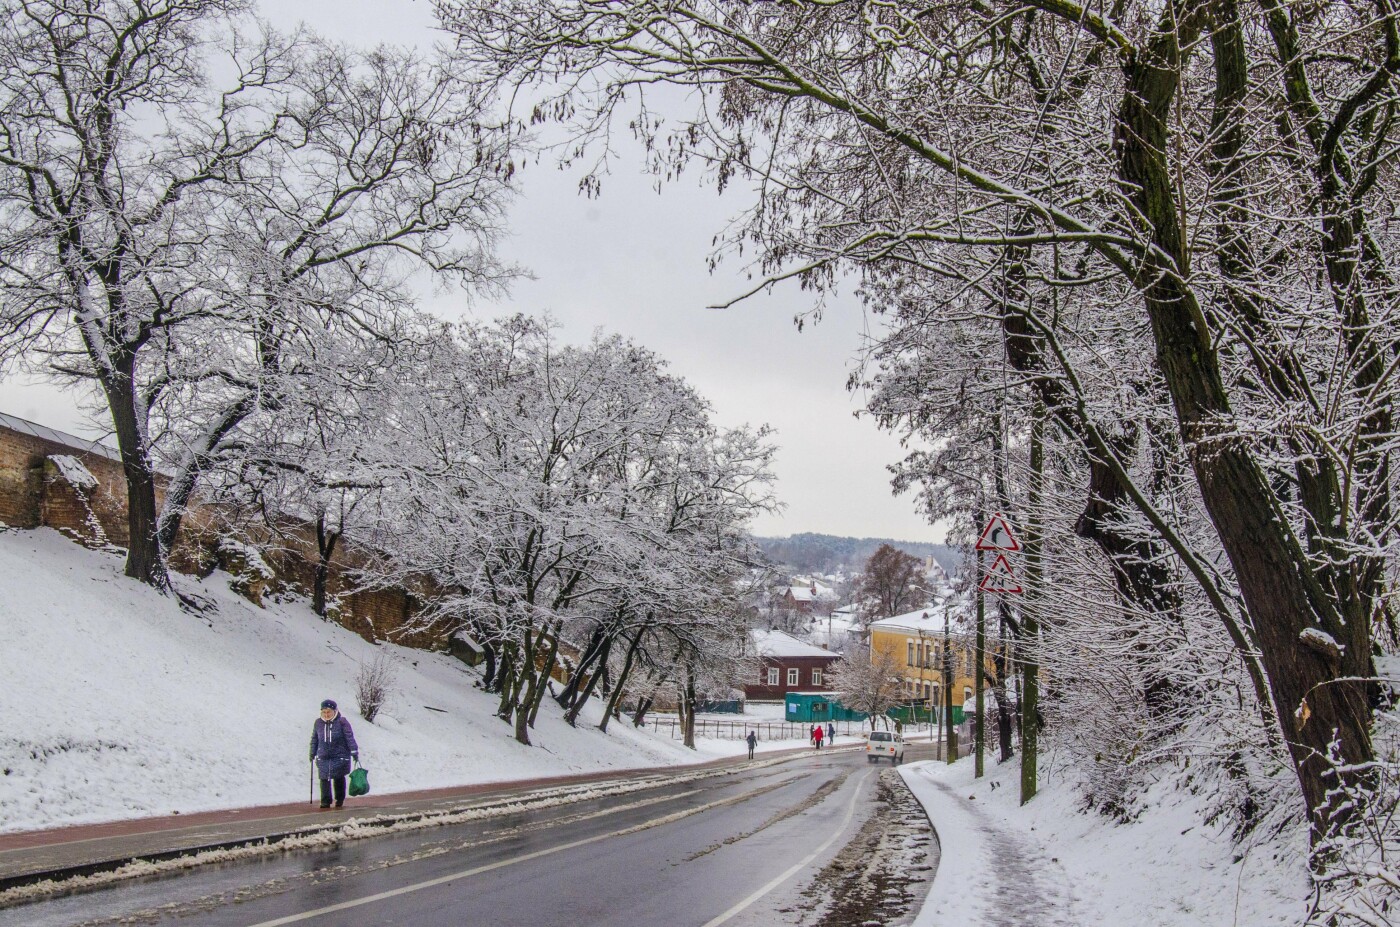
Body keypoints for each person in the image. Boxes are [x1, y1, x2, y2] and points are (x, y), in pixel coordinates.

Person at [310, 699, 359, 810]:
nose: (326, 715)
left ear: (335, 711)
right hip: (323, 756)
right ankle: (325, 801)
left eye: (329, 712)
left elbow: (349, 737)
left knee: (338, 777)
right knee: (324, 778)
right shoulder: (318, 723)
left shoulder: (342, 722)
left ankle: (339, 799)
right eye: (324, 712)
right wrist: (312, 752)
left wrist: (354, 750)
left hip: (339, 755)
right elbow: (314, 739)